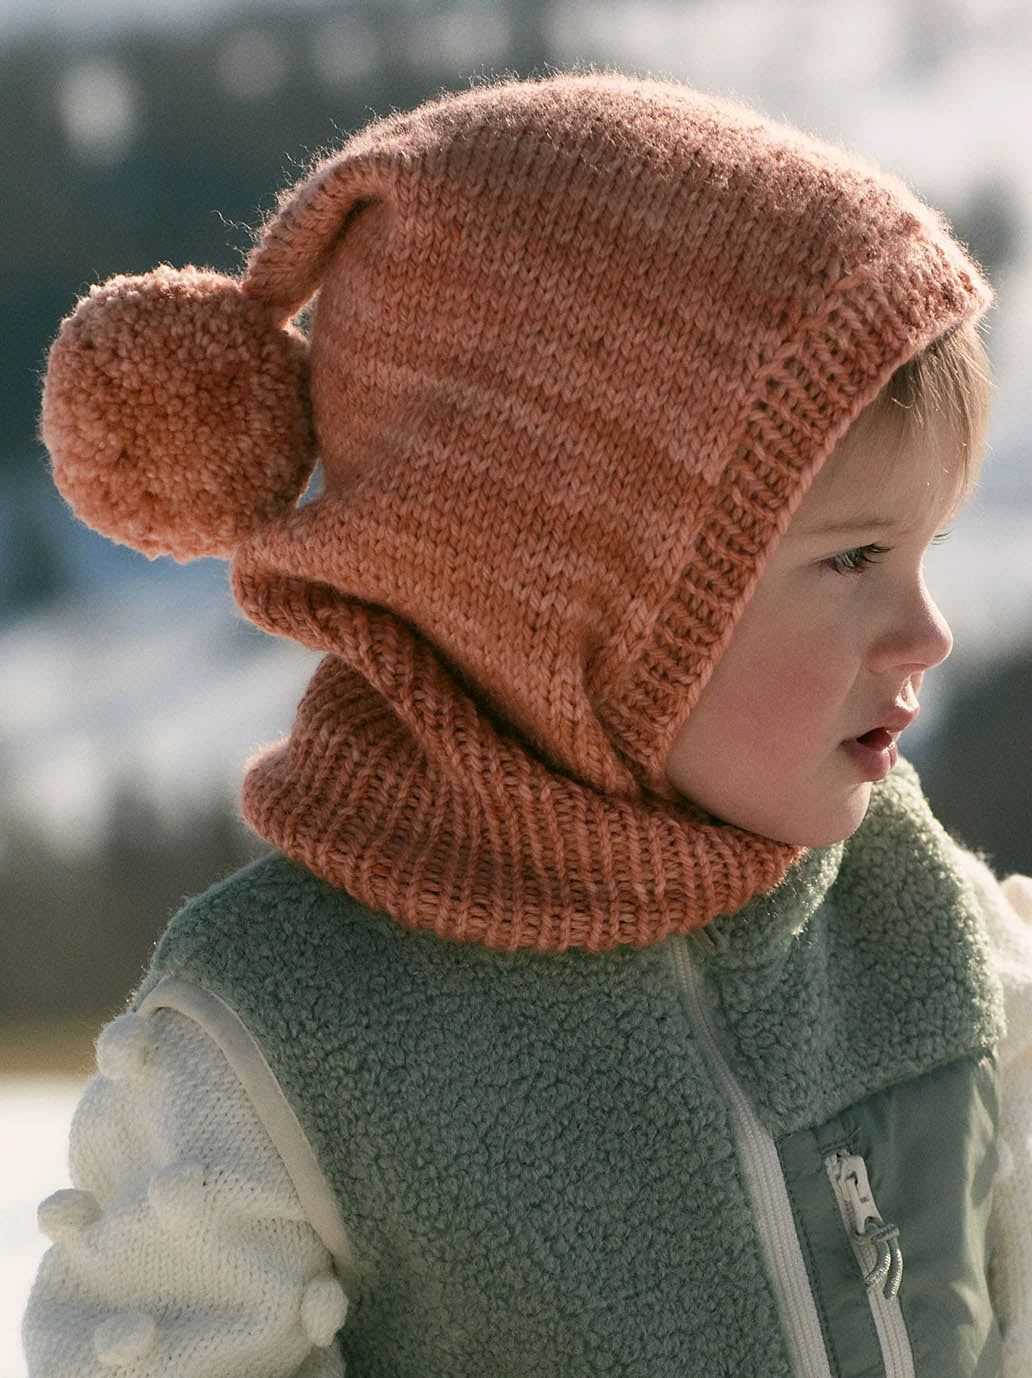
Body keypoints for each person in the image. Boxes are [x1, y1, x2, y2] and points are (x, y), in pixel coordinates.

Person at [23, 73, 1032, 1377]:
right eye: (852, 561)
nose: (926, 633)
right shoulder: (288, 1037)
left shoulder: (919, 918)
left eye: (928, 549)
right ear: (564, 598)